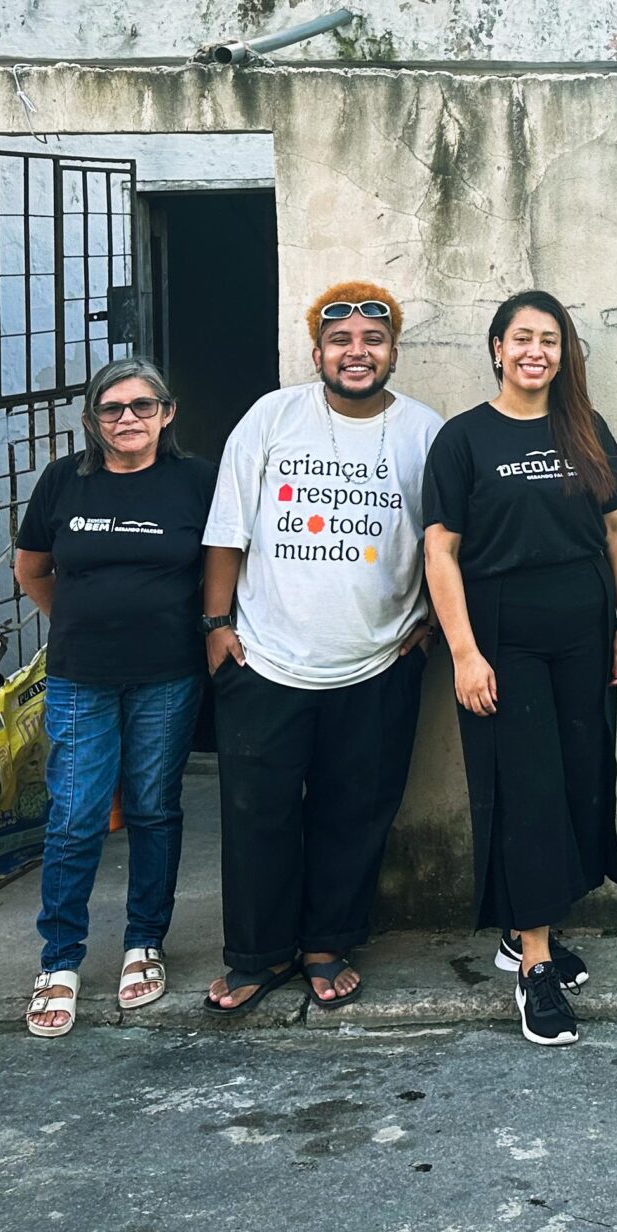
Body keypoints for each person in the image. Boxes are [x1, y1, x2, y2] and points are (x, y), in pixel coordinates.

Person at [199, 283, 444, 1016]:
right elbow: (227, 528)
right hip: (265, 659)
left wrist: (429, 622)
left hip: (378, 662)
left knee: (356, 811)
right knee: (256, 814)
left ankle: (326, 945)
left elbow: (446, 542)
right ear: (318, 353)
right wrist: (216, 625)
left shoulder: (425, 433)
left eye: (373, 339)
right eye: (341, 341)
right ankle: (257, 953)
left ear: (392, 352)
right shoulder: (273, 418)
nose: (356, 351)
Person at [422, 292, 617, 1048]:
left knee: (579, 780)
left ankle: (526, 931)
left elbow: (616, 530)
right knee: (528, 794)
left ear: (563, 353)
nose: (535, 351)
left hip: (582, 631)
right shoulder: (463, 439)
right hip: (502, 638)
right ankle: (535, 969)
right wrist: (464, 652)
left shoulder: (585, 430)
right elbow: (440, 552)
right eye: (522, 338)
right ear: (496, 348)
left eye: (549, 340)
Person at [14, 357, 216, 1037]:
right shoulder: (63, 481)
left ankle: (143, 943)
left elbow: (222, 564)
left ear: (167, 412)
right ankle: (61, 959)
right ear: (93, 419)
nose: (127, 418)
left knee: (155, 807)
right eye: (112, 408)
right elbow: (31, 567)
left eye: (142, 405)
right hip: (81, 676)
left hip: (168, 675)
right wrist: (79, 621)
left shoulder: (195, 482)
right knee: (76, 813)